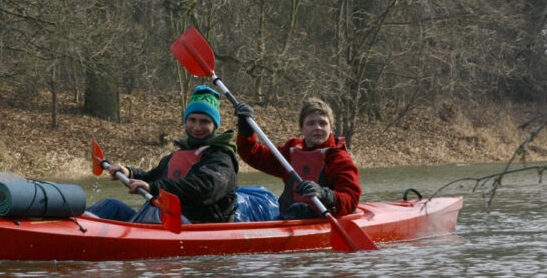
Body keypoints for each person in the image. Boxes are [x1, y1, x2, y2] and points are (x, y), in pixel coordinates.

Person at [87, 85, 239, 224]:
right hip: (166, 222)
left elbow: (204, 188)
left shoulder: (222, 159)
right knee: (111, 205)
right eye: (192, 120)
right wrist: (128, 172)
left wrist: (154, 188)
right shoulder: (176, 156)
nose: (197, 127)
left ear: (214, 126)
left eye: (204, 122)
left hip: (198, 226)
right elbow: (152, 178)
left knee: (154, 211)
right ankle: (81, 227)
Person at [234, 97, 361, 220]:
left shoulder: (339, 158)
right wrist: (246, 128)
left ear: (331, 128)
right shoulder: (290, 152)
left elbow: (351, 199)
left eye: (323, 123)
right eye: (311, 123)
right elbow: (252, 154)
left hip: (320, 220)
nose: (317, 127)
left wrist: (325, 194)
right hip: (286, 219)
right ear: (301, 129)